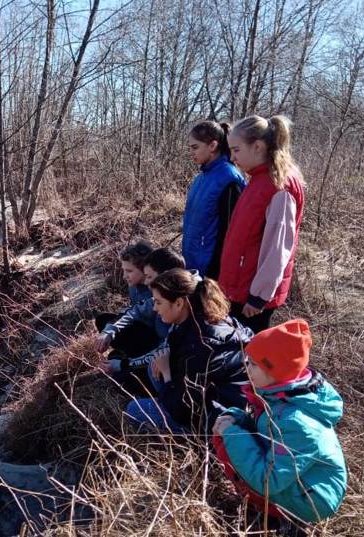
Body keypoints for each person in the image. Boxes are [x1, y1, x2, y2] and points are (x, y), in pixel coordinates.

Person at [212, 319, 347, 528]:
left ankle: (285, 521)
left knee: (233, 444)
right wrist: (239, 420)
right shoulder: (282, 395)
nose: (245, 366)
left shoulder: (298, 424)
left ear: (275, 371)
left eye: (253, 364)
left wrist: (234, 434)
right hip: (298, 481)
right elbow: (268, 432)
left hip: (313, 499)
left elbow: (269, 481)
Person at [124, 268, 252, 433]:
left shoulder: (201, 346)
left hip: (218, 417)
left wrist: (168, 374)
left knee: (134, 410)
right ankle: (165, 399)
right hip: (226, 393)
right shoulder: (205, 314)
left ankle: (190, 436)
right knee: (154, 368)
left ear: (178, 303)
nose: (155, 309)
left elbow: (183, 410)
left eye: (158, 302)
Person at [219, 115, 306, 334]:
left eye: (236, 150)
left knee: (249, 356)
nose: (232, 157)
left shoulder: (279, 186)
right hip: (241, 288)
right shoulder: (258, 179)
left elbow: (278, 249)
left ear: (257, 146)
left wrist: (259, 296)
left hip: (253, 297)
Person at [97, 248, 185, 389]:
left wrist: (124, 365)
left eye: (149, 277)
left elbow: (163, 351)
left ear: (165, 276)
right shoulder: (167, 292)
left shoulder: (185, 307)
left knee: (125, 379)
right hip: (159, 348)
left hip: (173, 363)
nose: (146, 282)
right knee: (105, 321)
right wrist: (109, 331)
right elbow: (135, 312)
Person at [183, 121, 246, 279]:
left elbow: (230, 232)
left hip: (212, 268)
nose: (191, 152)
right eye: (190, 147)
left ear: (212, 146)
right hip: (192, 263)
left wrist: (216, 271)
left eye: (195, 147)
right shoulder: (201, 178)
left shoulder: (229, 178)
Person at [94, 240, 155, 354]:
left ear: (145, 269)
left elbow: (137, 312)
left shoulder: (155, 289)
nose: (124, 276)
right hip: (139, 324)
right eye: (124, 270)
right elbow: (133, 310)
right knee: (103, 320)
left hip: (154, 334)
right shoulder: (133, 286)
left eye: (129, 271)